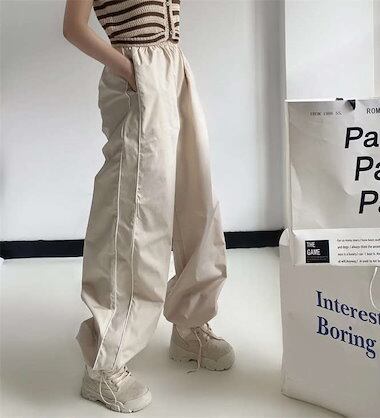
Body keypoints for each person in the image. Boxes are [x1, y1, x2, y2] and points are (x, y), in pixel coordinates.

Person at [63, 0, 235, 413]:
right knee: (134, 212)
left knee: (195, 197)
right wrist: (129, 69)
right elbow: (74, 27)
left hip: (175, 66)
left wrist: (160, 71)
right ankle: (104, 365)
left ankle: (190, 325)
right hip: (136, 70)